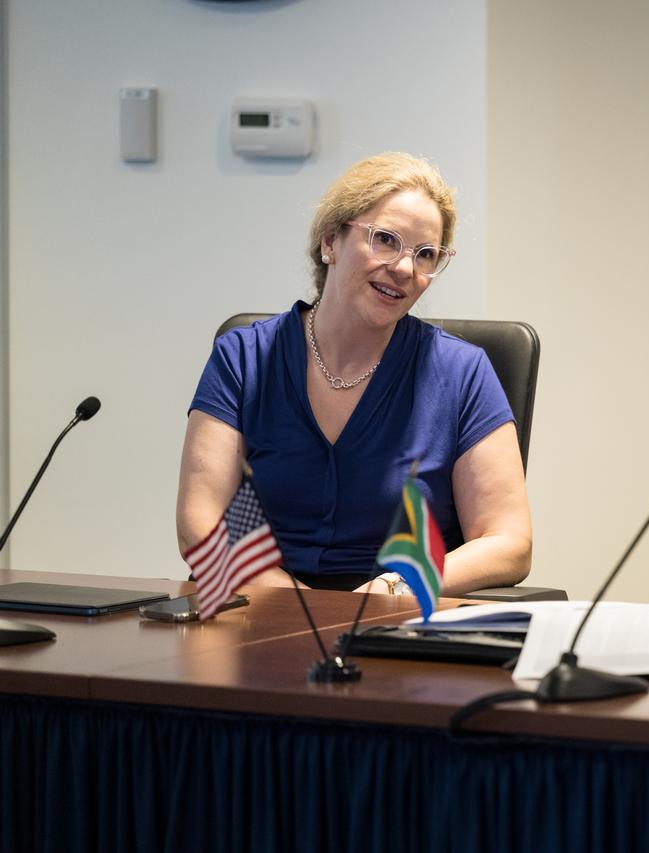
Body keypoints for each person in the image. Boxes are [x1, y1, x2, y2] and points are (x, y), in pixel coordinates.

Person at [176, 152, 532, 595]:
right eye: (385, 240)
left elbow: (508, 543)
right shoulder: (243, 358)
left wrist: (397, 587)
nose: (404, 268)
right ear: (330, 242)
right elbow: (200, 527)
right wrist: (300, 610)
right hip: (256, 610)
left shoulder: (462, 373)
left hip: (396, 624)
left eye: (425, 255)